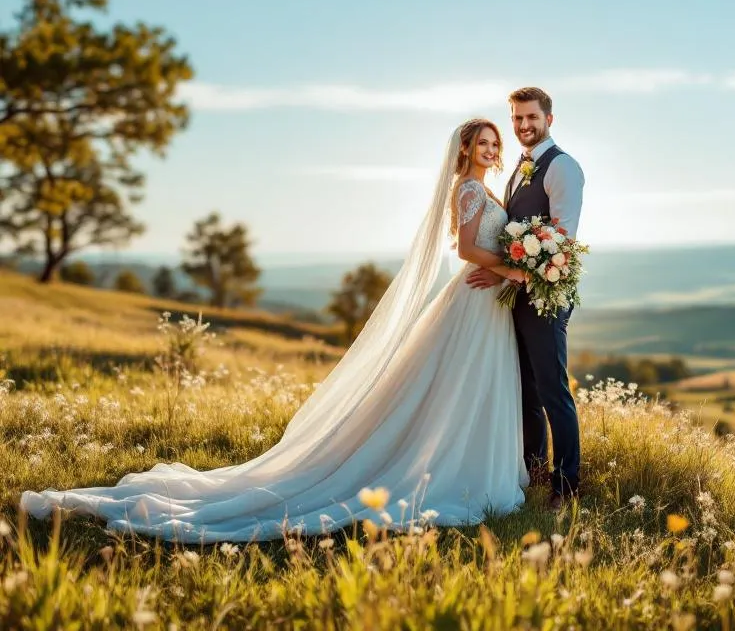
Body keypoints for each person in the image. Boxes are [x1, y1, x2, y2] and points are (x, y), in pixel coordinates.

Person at [19, 117, 532, 543]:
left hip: (487, 300)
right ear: (464, 149)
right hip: (474, 293)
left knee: (474, 386)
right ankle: (449, 471)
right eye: (481, 143)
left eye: (494, 144)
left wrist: (517, 263)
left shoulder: (486, 189)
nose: (489, 149)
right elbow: (465, 250)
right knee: (457, 384)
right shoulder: (467, 190)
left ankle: (475, 466)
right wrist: (514, 269)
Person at [467, 86, 585, 510]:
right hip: (516, 293)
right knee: (527, 391)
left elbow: (562, 239)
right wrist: (504, 272)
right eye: (517, 119)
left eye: (531, 117)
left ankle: (567, 487)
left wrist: (513, 271)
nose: (523, 126)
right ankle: (535, 472)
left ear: (549, 119)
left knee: (553, 390)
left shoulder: (562, 167)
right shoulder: (519, 166)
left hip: (545, 295)